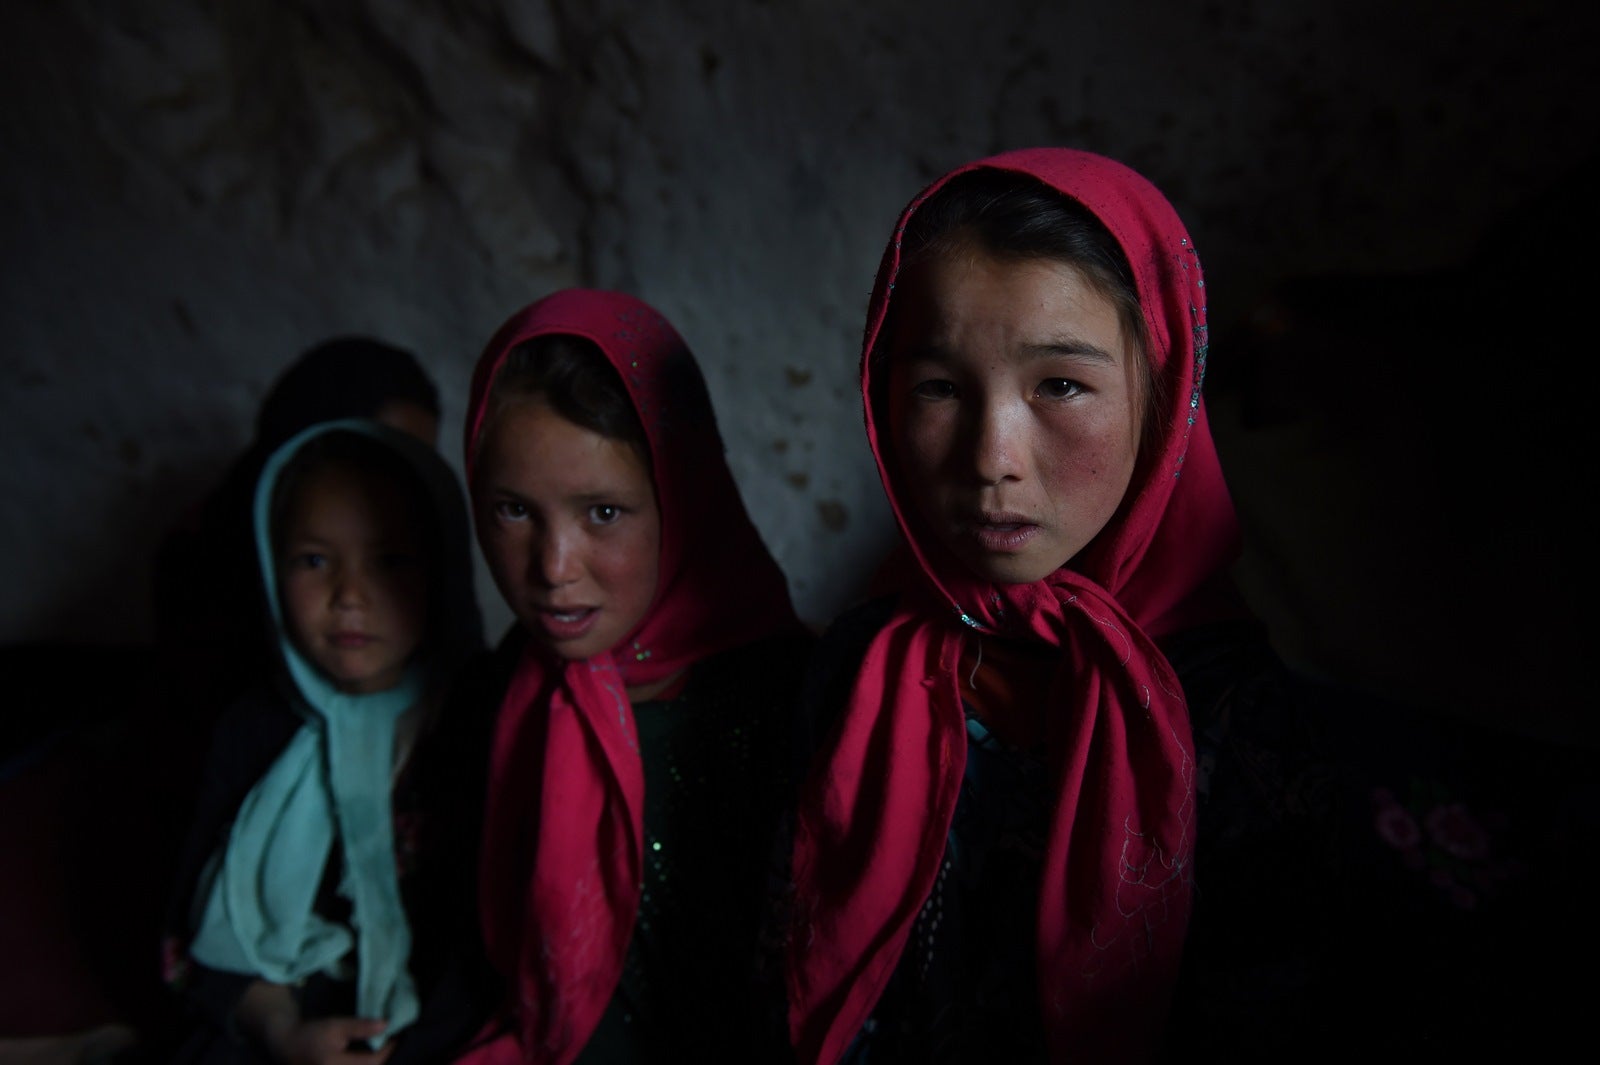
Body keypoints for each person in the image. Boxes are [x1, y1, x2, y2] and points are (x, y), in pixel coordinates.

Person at [781, 146, 1595, 1064]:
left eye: (1060, 384)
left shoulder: (1239, 724)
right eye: (937, 386)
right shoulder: (857, 665)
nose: (991, 456)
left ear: (1162, 401)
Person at [452, 288, 814, 1064]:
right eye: (513, 510)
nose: (553, 569)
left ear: (686, 503)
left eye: (604, 514)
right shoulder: (504, 688)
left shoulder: (787, 706)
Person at [159, 418, 495, 1064]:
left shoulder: (475, 720)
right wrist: (282, 1030)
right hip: (277, 1026)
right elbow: (201, 928)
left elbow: (498, 939)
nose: (349, 596)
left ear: (442, 567)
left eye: (390, 560)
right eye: (313, 560)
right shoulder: (254, 727)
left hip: (438, 1035)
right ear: (269, 564)